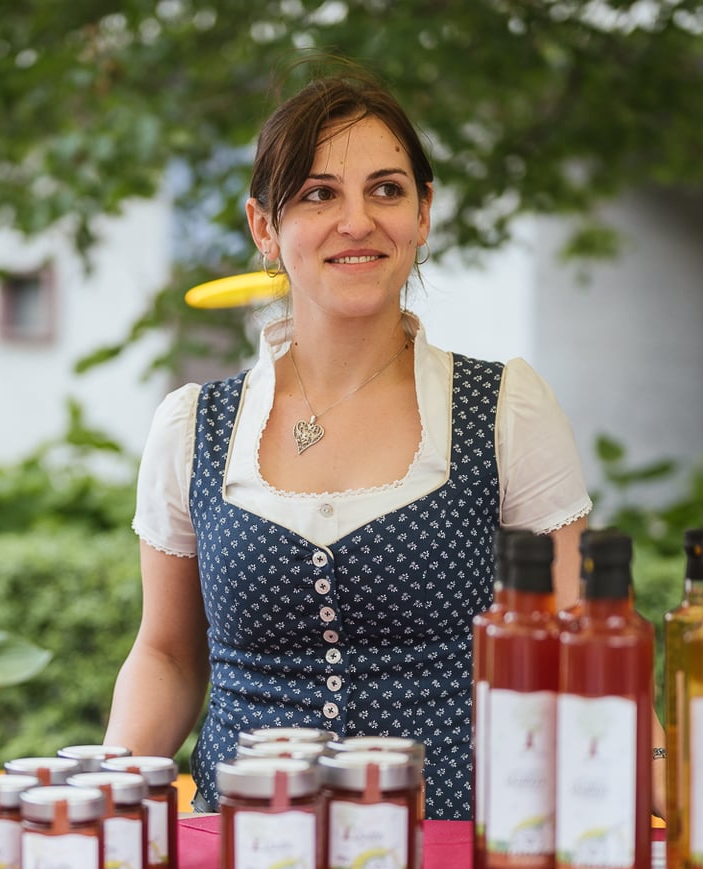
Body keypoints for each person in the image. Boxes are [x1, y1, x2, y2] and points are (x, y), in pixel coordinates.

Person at [104, 73, 592, 818]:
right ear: (263, 227)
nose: (357, 220)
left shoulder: (505, 410)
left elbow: (576, 649)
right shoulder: (193, 426)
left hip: (449, 849)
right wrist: (106, 797)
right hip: (245, 852)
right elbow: (168, 656)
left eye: (388, 190)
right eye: (318, 193)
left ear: (424, 214)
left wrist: (650, 786)